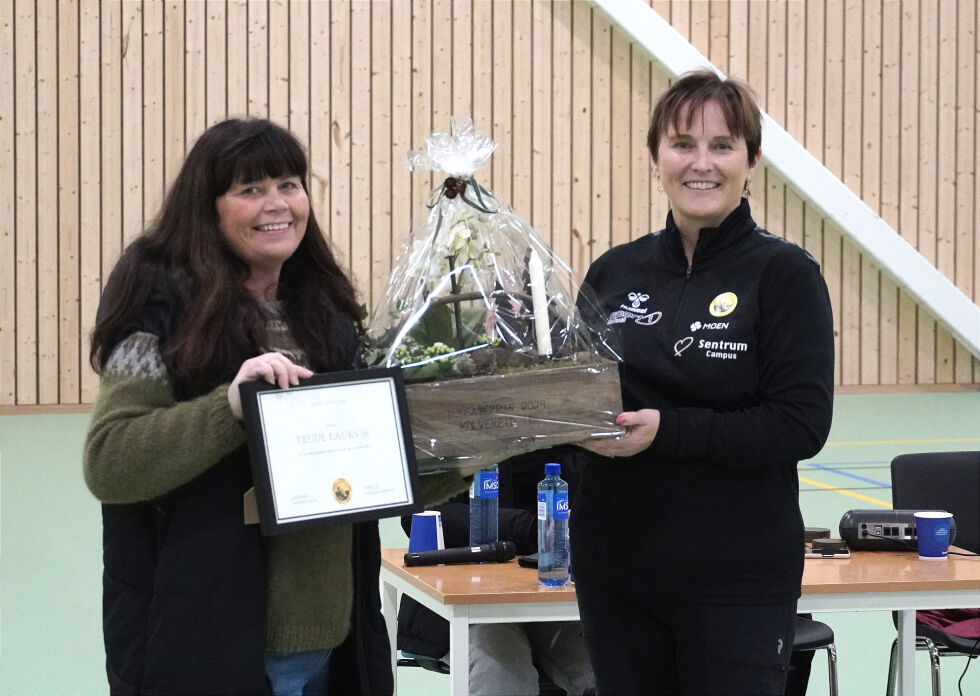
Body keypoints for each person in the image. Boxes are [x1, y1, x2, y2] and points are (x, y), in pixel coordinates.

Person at [84, 118, 465, 695]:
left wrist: (484, 439)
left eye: (289, 183)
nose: (277, 204)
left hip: (334, 643)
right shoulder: (161, 313)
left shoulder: (328, 313)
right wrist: (230, 408)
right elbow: (110, 463)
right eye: (250, 189)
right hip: (209, 641)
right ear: (206, 207)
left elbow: (375, 477)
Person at [571, 70, 835, 695]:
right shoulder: (614, 270)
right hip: (617, 569)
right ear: (656, 156)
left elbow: (800, 423)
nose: (701, 163)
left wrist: (668, 432)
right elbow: (574, 396)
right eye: (682, 143)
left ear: (752, 160)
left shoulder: (785, 275)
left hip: (737, 578)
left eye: (722, 145)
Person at [397, 447, 596, 696]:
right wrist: (529, 528)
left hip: (557, 594)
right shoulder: (454, 428)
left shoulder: (571, 427)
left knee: (602, 670)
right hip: (470, 599)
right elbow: (419, 514)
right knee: (501, 675)